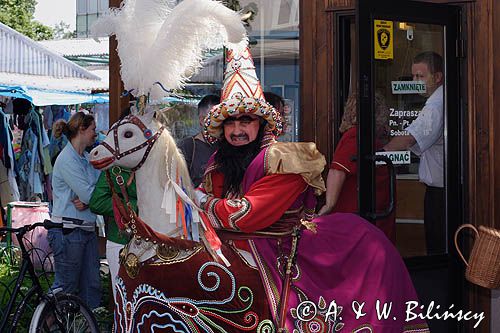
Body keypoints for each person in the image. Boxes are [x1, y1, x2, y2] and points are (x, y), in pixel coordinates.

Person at [196, 47, 429, 332]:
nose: (237, 130)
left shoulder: (282, 160)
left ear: (262, 124)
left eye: (245, 121)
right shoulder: (218, 162)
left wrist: (201, 202)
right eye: (230, 123)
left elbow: (247, 215)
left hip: (280, 247)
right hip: (232, 246)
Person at [384, 51, 445, 255]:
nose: (415, 81)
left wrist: (379, 155)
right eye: (413, 76)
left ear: (437, 77)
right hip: (440, 190)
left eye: (420, 76)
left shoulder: (435, 106)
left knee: (438, 250)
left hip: (442, 194)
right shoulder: (438, 102)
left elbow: (410, 138)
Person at [318, 92, 395, 243]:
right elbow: (337, 170)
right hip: (358, 217)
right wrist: (329, 205)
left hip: (372, 214)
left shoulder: (366, 135)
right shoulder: (356, 135)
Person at [49, 111, 101, 309]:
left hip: (84, 228)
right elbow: (91, 194)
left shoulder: (86, 158)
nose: (95, 134)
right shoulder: (67, 159)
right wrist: (90, 198)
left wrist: (89, 200)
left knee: (91, 285)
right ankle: (48, 324)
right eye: (93, 130)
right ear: (82, 129)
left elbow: (95, 193)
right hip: (68, 231)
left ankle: (86, 326)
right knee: (66, 287)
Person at [89, 107, 137, 303]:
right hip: (121, 240)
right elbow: (97, 202)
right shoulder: (114, 165)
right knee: (123, 301)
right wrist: (135, 206)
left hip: (154, 242)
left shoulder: (155, 163)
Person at [179, 94, 220, 187]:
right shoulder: (187, 146)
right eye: (215, 118)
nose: (220, 123)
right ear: (202, 120)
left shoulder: (229, 145)